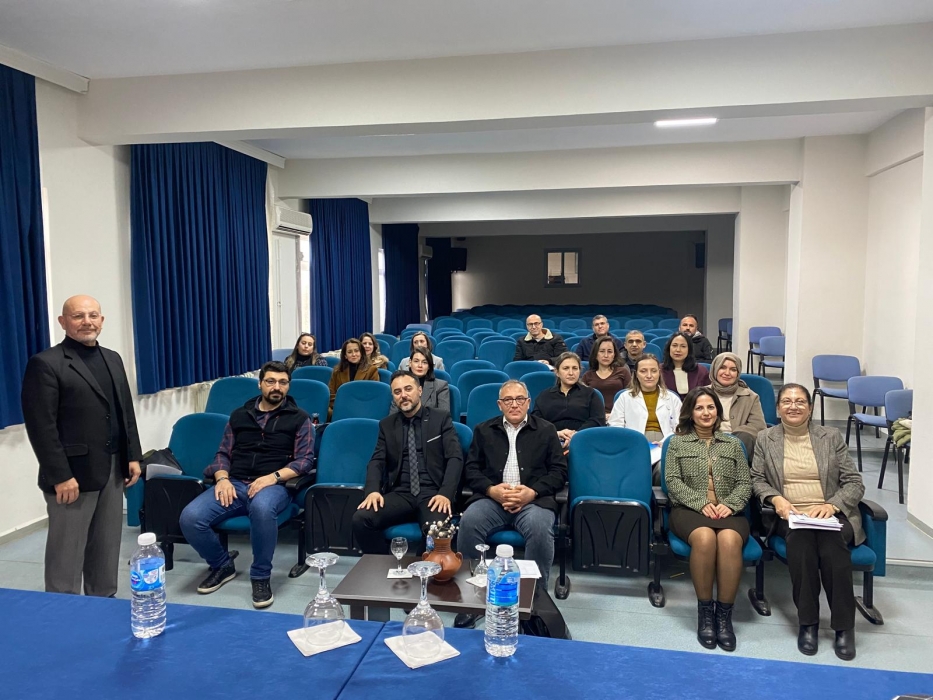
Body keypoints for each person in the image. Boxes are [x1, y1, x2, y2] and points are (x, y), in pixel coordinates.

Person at [21, 295, 142, 597]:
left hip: (113, 468)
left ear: (102, 320)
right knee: (67, 554)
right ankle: (63, 612)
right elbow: (41, 427)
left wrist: (133, 455)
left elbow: (124, 411)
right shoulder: (46, 364)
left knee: (106, 547)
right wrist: (60, 475)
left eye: (93, 315)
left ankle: (103, 602)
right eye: (78, 316)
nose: (87, 322)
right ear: (63, 322)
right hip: (72, 475)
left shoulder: (112, 358)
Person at [179, 361, 313, 609]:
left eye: (283, 383)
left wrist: (272, 477)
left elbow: (304, 461)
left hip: (274, 485)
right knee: (190, 517)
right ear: (260, 384)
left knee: (262, 508)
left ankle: (260, 576)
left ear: (288, 386)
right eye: (271, 381)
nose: (277, 387)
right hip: (235, 482)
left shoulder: (300, 418)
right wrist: (222, 479)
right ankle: (222, 564)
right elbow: (222, 454)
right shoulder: (239, 415)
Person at [751, 384, 864, 661]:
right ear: (778, 408)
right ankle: (808, 623)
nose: (794, 406)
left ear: (810, 408)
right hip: (790, 515)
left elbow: (854, 482)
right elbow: (757, 479)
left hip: (832, 514)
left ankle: (843, 627)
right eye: (787, 401)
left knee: (832, 544)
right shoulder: (765, 438)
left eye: (800, 401)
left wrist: (831, 505)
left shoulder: (830, 436)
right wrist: (776, 499)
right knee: (801, 544)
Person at [455, 379, 567, 628]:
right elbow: (471, 469)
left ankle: (534, 601)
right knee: (469, 521)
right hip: (493, 500)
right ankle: (472, 600)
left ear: (528, 402)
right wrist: (491, 490)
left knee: (540, 528)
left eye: (519, 399)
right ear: (499, 404)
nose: (514, 404)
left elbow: (559, 471)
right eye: (508, 400)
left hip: (532, 501)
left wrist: (533, 492)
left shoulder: (546, 430)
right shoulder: (483, 430)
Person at [665, 388, 751, 652]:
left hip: (728, 511)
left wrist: (730, 504)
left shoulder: (732, 444)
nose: (706, 413)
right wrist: (701, 503)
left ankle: (723, 616)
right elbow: (672, 481)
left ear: (717, 411)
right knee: (704, 538)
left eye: (711, 407)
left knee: (728, 540)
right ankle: (705, 612)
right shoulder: (677, 443)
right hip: (688, 510)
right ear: (690, 413)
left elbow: (745, 483)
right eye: (699, 408)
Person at [352, 370, 463, 553]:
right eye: (397, 392)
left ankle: (421, 566)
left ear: (419, 390)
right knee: (361, 518)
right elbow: (377, 461)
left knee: (436, 532)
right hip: (400, 493)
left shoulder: (440, 418)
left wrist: (446, 493)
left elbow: (455, 458)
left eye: (408, 389)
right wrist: (372, 491)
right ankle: (382, 563)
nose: (403, 395)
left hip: (433, 493)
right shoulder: (387, 425)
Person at [609, 354, 682, 481]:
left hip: (664, 444)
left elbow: (680, 428)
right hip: (633, 444)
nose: (649, 375)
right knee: (634, 469)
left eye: (653, 371)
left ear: (659, 373)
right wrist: (632, 443)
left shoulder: (672, 398)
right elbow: (615, 426)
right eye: (643, 371)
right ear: (636, 374)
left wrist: (666, 442)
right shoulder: (624, 398)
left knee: (663, 468)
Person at [531, 351, 605, 448]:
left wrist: (577, 435)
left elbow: (598, 420)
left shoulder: (591, 394)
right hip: (551, 441)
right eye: (566, 368)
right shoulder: (544, 396)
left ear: (580, 371)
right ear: (557, 372)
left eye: (575, 368)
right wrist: (556, 433)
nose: (571, 373)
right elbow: (536, 422)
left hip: (584, 441)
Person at [707, 353, 767, 457]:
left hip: (739, 443)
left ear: (738, 373)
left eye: (733, 370)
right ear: (715, 369)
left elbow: (758, 426)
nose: (727, 373)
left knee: (746, 437)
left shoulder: (750, 397)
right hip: (707, 440)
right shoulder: (701, 394)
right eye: (722, 367)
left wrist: (733, 437)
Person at [327, 337, 380, 419]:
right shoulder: (337, 371)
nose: (354, 354)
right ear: (345, 355)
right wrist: (344, 406)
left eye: (356, 351)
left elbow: (373, 394)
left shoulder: (372, 370)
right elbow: (331, 394)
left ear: (361, 353)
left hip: (363, 408)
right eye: (349, 352)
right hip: (342, 408)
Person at [582, 335, 632, 415]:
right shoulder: (587, 376)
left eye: (609, 351)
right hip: (595, 416)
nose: (606, 355)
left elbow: (631, 398)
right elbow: (583, 402)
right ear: (596, 354)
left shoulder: (623, 372)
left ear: (614, 355)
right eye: (602, 351)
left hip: (620, 415)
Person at [390, 348, 450, 414]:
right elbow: (393, 415)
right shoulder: (400, 385)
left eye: (424, 362)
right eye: (416, 361)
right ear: (410, 363)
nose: (420, 365)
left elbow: (443, 416)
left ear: (429, 366)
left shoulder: (440, 386)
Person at [660, 332, 710, 400]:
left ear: (689, 349)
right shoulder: (659, 371)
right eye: (674, 345)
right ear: (669, 348)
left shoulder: (701, 371)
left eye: (683, 346)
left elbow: (707, 397)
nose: (678, 350)